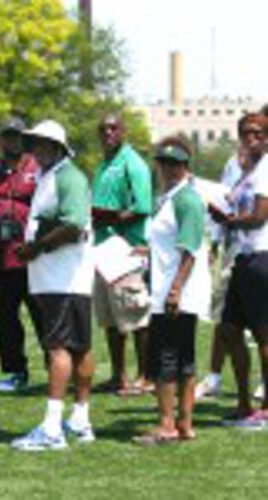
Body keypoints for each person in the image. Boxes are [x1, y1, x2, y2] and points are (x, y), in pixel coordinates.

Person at [11, 120, 95, 451]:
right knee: (79, 347)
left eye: (44, 143)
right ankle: (80, 419)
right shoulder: (53, 175)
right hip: (63, 276)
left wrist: (36, 246)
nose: (37, 149)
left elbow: (73, 224)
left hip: (63, 276)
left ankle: (51, 428)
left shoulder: (67, 176)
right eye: (34, 143)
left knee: (58, 346)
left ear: (59, 147)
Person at [134, 137, 210, 445]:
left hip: (175, 291)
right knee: (183, 358)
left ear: (185, 166)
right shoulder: (167, 198)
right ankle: (184, 424)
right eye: (163, 163)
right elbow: (168, 242)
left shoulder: (186, 199)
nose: (168, 169)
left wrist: (176, 289)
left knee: (167, 358)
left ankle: (168, 424)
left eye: (174, 164)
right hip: (168, 288)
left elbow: (190, 248)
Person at [0, 117, 42, 392]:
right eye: (6, 136)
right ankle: (16, 372)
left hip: (33, 257)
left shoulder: (37, 169)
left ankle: (57, 370)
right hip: (1, 257)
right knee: (5, 319)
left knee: (42, 317)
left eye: (16, 136)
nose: (11, 141)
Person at [210, 113, 268, 428]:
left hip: (262, 256)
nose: (251, 138)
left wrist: (229, 220)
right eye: (246, 133)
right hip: (242, 258)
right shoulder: (248, 172)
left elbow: (259, 216)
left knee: (263, 335)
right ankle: (245, 403)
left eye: (258, 133)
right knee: (230, 331)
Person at [91, 113, 153, 395]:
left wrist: (110, 220)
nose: (108, 133)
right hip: (102, 249)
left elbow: (141, 207)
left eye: (114, 128)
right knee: (110, 318)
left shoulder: (133, 163)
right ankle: (119, 375)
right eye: (104, 129)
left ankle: (146, 375)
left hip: (127, 248)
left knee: (136, 315)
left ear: (124, 131)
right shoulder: (103, 164)